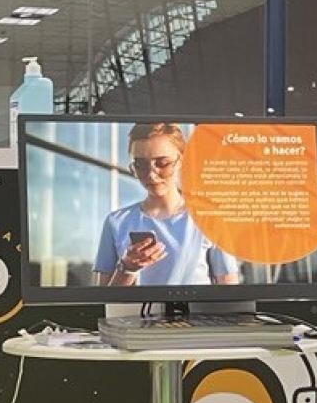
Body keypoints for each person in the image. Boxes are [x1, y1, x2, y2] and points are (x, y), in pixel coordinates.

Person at [93, 122, 240, 286]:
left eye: (162, 163)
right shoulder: (117, 222)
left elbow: (229, 288)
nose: (151, 175)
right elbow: (105, 301)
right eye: (141, 165)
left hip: (197, 312)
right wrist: (127, 268)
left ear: (182, 161)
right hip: (134, 313)